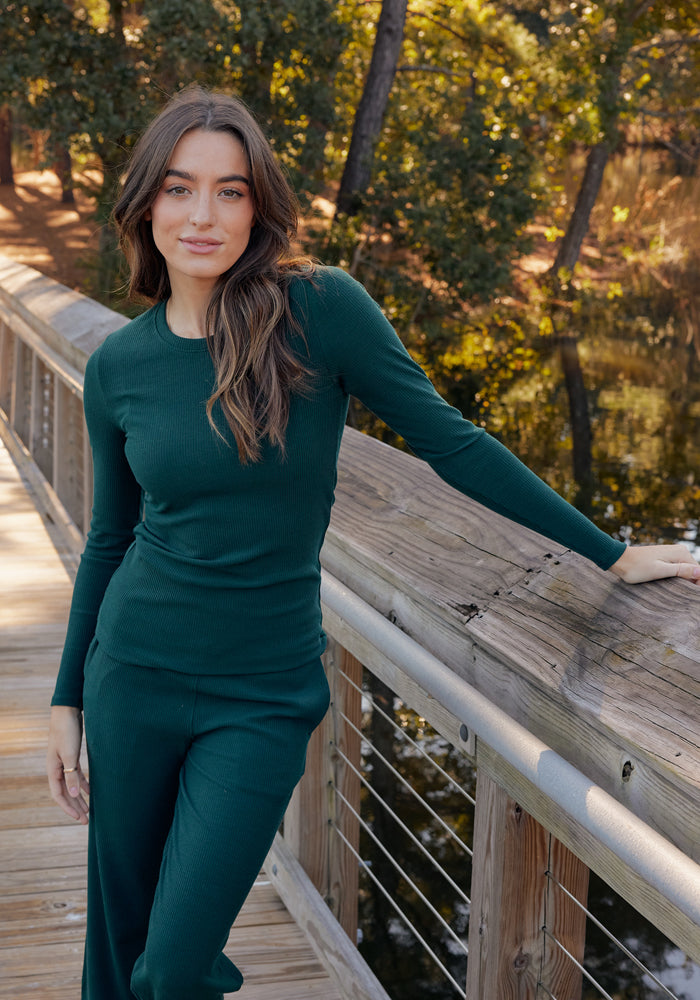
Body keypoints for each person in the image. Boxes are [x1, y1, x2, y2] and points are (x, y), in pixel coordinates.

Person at [46, 86, 700, 1000]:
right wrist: (68, 696)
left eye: (230, 191)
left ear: (258, 203)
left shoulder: (319, 311)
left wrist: (612, 553)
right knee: (117, 952)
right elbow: (112, 537)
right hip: (132, 677)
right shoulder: (120, 366)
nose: (204, 214)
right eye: (180, 188)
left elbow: (450, 442)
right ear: (146, 202)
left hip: (262, 695)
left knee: (171, 967)